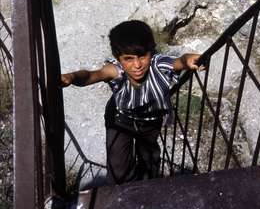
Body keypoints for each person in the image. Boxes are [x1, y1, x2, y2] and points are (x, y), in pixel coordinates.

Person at [61, 20, 204, 185]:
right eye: (128, 58)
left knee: (149, 159)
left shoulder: (158, 64)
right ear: (118, 58)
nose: (137, 65)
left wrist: (190, 60)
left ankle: (145, 188)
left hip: (151, 120)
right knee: (118, 166)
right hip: (120, 119)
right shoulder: (116, 71)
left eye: (142, 56)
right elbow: (91, 75)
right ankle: (122, 192)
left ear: (151, 51)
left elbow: (179, 61)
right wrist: (71, 77)